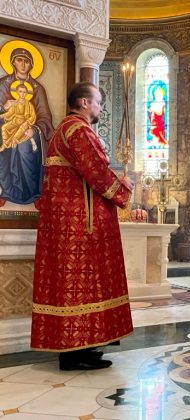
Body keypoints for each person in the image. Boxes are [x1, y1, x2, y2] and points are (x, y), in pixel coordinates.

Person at [31, 82, 134, 370]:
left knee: (78, 286)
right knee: (80, 285)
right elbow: (97, 172)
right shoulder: (78, 130)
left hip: (68, 221)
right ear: (84, 103)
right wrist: (123, 188)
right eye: (99, 102)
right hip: (78, 224)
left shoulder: (64, 129)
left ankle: (82, 347)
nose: (101, 107)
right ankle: (73, 354)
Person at [0, 47, 54, 205]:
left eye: (26, 61)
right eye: (19, 60)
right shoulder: (3, 84)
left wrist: (34, 129)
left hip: (29, 128)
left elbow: (44, 117)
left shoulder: (37, 89)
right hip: (8, 124)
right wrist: (4, 107)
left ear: (31, 65)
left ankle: (33, 194)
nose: (23, 64)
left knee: (24, 146)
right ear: (13, 62)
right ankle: (6, 190)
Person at [0, 84, 37, 152]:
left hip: (25, 122)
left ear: (26, 93)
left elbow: (33, 116)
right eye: (20, 91)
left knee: (22, 127)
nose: (22, 94)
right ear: (17, 92)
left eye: (24, 92)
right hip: (15, 121)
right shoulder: (15, 103)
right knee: (4, 127)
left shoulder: (29, 104)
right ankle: (5, 144)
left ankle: (14, 141)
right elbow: (10, 113)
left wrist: (28, 121)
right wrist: (2, 115)